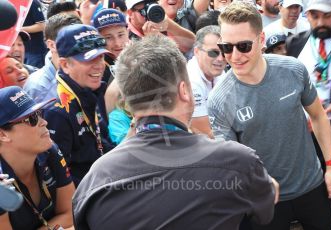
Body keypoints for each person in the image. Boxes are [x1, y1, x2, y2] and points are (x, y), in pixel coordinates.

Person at [72, 34, 278, 230]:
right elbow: (264, 213)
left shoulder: (93, 182)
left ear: (127, 101)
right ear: (184, 91)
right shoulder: (238, 162)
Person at [208, 2, 331, 229]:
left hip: (312, 185)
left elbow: (319, 117)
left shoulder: (293, 70)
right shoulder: (219, 100)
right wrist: (257, 182)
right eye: (226, 47)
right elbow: (232, 159)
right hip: (266, 196)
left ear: (261, 40)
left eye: (243, 46)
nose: (234, 56)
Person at [44, 24, 115, 186]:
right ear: (65, 65)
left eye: (101, 57)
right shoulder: (56, 111)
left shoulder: (94, 90)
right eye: (89, 59)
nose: (99, 65)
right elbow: (59, 175)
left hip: (103, 178)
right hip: (87, 194)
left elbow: (100, 142)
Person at [0, 86, 75, 230]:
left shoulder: (50, 151)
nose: (44, 122)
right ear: (2, 135)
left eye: (40, 113)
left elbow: (70, 212)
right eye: (31, 118)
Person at [286, 0, 331, 168]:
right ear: (307, 15)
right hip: (305, 132)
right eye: (314, 16)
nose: (320, 23)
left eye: (327, 16)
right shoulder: (295, 43)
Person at [24, 13, 82, 104]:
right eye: (70, 40)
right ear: (52, 45)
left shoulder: (87, 73)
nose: (78, 46)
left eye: (81, 40)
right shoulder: (37, 87)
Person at [188, 25, 226, 138]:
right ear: (197, 52)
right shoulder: (192, 81)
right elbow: (205, 133)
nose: (220, 59)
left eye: (224, 52)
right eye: (213, 53)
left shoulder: (218, 72)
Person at [126, 0, 195, 54]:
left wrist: (171, 26)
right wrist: (154, 41)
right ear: (130, 13)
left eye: (151, 5)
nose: (149, 12)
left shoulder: (161, 21)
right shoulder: (123, 33)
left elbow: (192, 45)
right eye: (144, 11)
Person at [92, 8, 129, 85]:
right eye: (108, 37)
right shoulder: (96, 71)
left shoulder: (140, 57)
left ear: (128, 32)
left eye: (121, 35)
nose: (117, 43)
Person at [22, 0, 48, 68]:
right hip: (21, 49)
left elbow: (41, 26)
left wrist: (18, 29)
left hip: (35, 51)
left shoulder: (32, 3)